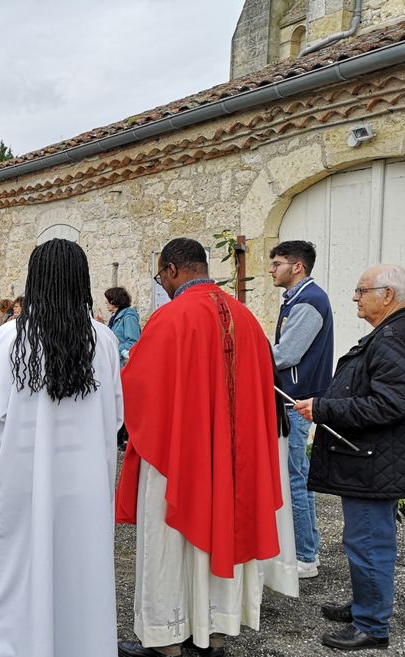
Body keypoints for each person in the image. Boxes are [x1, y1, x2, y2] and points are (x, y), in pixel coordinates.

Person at [116, 238, 284, 657]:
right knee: (224, 531)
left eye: (161, 276)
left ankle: (166, 640)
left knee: (170, 543)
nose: (164, 284)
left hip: (179, 458)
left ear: (172, 270)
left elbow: (136, 388)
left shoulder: (171, 318)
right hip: (233, 461)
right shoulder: (246, 318)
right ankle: (216, 631)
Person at [0, 239, 123, 657]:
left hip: (26, 478)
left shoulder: (9, 340)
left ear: (35, 280)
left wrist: (5, 471)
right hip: (87, 483)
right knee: (84, 571)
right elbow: (115, 417)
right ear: (82, 281)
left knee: (23, 568)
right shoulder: (104, 341)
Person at [294, 264, 405, 652]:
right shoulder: (391, 332)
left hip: (375, 462)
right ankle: (366, 604)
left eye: (362, 290)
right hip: (374, 458)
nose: (354, 297)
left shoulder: (393, 337)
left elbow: (390, 404)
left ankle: (372, 626)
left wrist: (324, 409)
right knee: (364, 539)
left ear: (387, 295)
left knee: (368, 542)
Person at [269, 240, 333, 579]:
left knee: (295, 478)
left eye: (277, 263)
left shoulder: (310, 300)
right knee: (295, 476)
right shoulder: (297, 299)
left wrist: (254, 359)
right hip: (294, 397)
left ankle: (305, 557)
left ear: (298, 267)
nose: (270, 269)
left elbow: (287, 354)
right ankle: (304, 551)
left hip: (296, 398)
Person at [104, 287, 141, 366]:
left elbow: (133, 342)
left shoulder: (129, 317)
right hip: (116, 363)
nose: (105, 302)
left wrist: (114, 350)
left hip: (123, 365)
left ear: (113, 300)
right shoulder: (115, 317)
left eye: (107, 299)